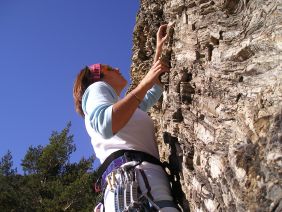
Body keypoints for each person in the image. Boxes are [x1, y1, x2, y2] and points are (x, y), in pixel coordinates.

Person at [73, 24, 179, 211]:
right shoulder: (95, 89)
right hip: (133, 182)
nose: (116, 68)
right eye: (109, 68)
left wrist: (159, 49)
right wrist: (144, 83)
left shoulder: (127, 109)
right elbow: (106, 123)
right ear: (98, 77)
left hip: (139, 181)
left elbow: (151, 91)